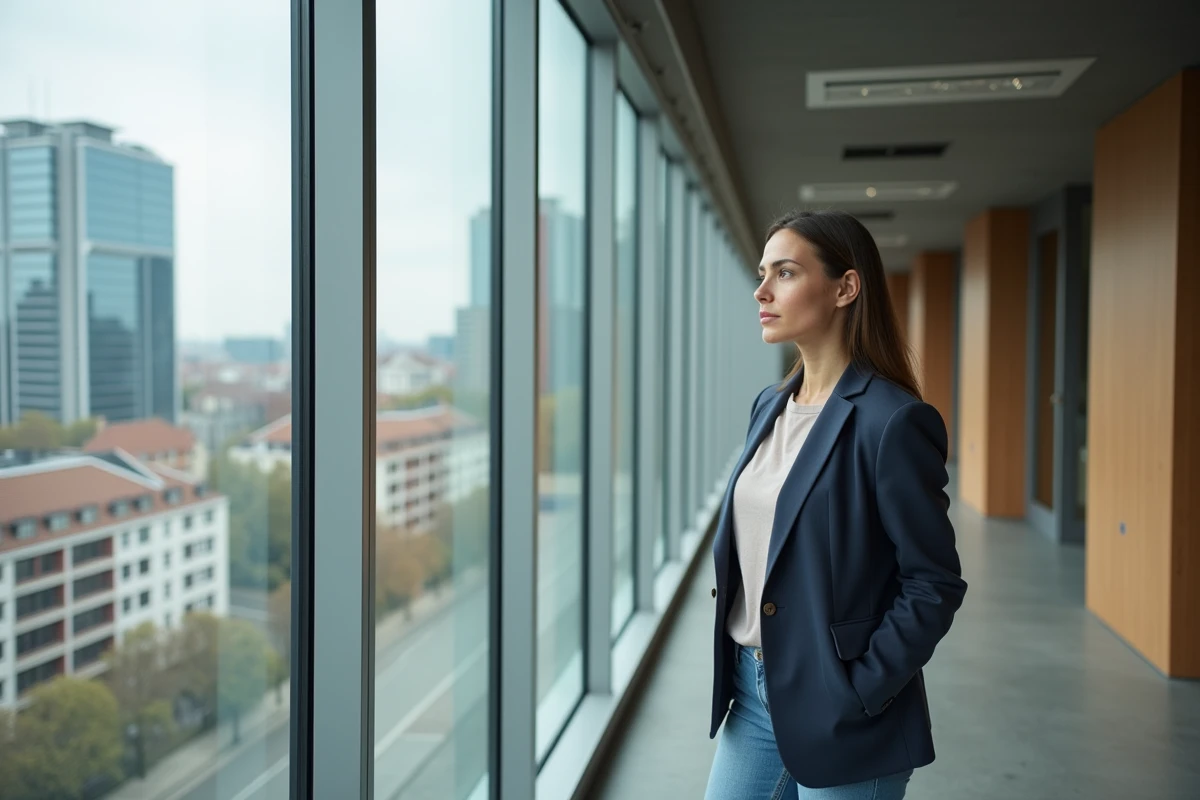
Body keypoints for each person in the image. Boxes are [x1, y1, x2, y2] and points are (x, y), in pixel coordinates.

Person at [704, 209, 968, 800]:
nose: (762, 290)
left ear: (846, 287)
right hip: (751, 696)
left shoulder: (892, 421)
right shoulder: (768, 406)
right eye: (762, 273)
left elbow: (933, 581)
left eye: (786, 272)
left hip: (845, 707)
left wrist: (862, 689)